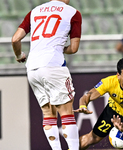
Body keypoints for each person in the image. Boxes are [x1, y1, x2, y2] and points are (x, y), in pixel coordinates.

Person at [11, 0, 82, 149]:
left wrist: (19, 56)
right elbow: (74, 48)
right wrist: (57, 48)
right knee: (66, 112)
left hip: (32, 67)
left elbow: (15, 39)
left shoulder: (35, 11)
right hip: (53, 65)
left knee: (48, 113)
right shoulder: (72, 13)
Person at [74, 57, 123, 150]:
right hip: (113, 112)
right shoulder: (109, 82)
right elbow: (88, 96)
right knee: (92, 138)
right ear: (118, 75)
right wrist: (83, 105)